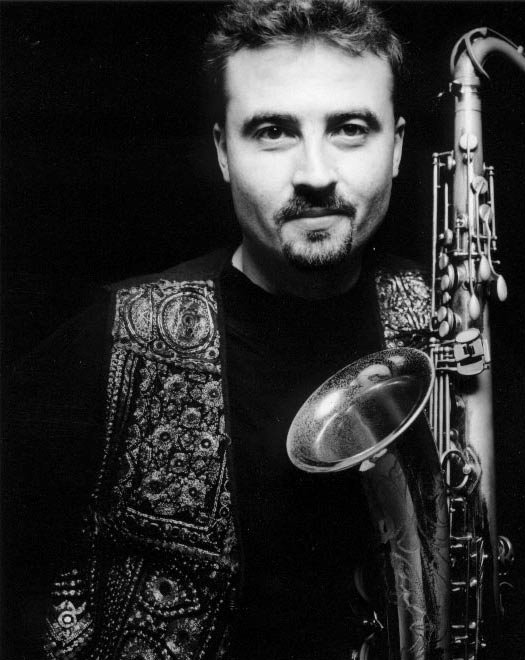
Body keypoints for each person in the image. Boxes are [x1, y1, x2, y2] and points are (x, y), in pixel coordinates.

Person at [4, 1, 449, 659]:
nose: (315, 174)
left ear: (398, 148)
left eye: (351, 128)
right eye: (273, 131)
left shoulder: (453, 327)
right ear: (222, 152)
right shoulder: (110, 338)